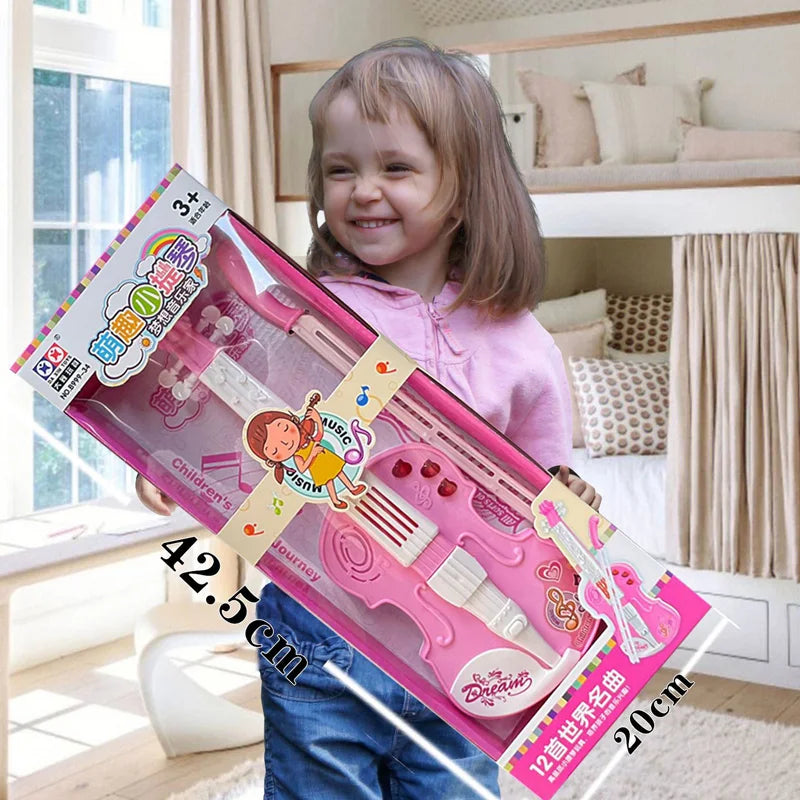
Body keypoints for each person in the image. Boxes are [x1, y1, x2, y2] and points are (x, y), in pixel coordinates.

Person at [136, 37, 602, 800]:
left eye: (396, 168)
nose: (361, 191)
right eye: (340, 169)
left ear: (463, 188)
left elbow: (542, 486)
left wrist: (569, 498)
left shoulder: (520, 340)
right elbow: (228, 438)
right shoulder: (297, 311)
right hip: (319, 626)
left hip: (469, 637)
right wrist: (161, 468)